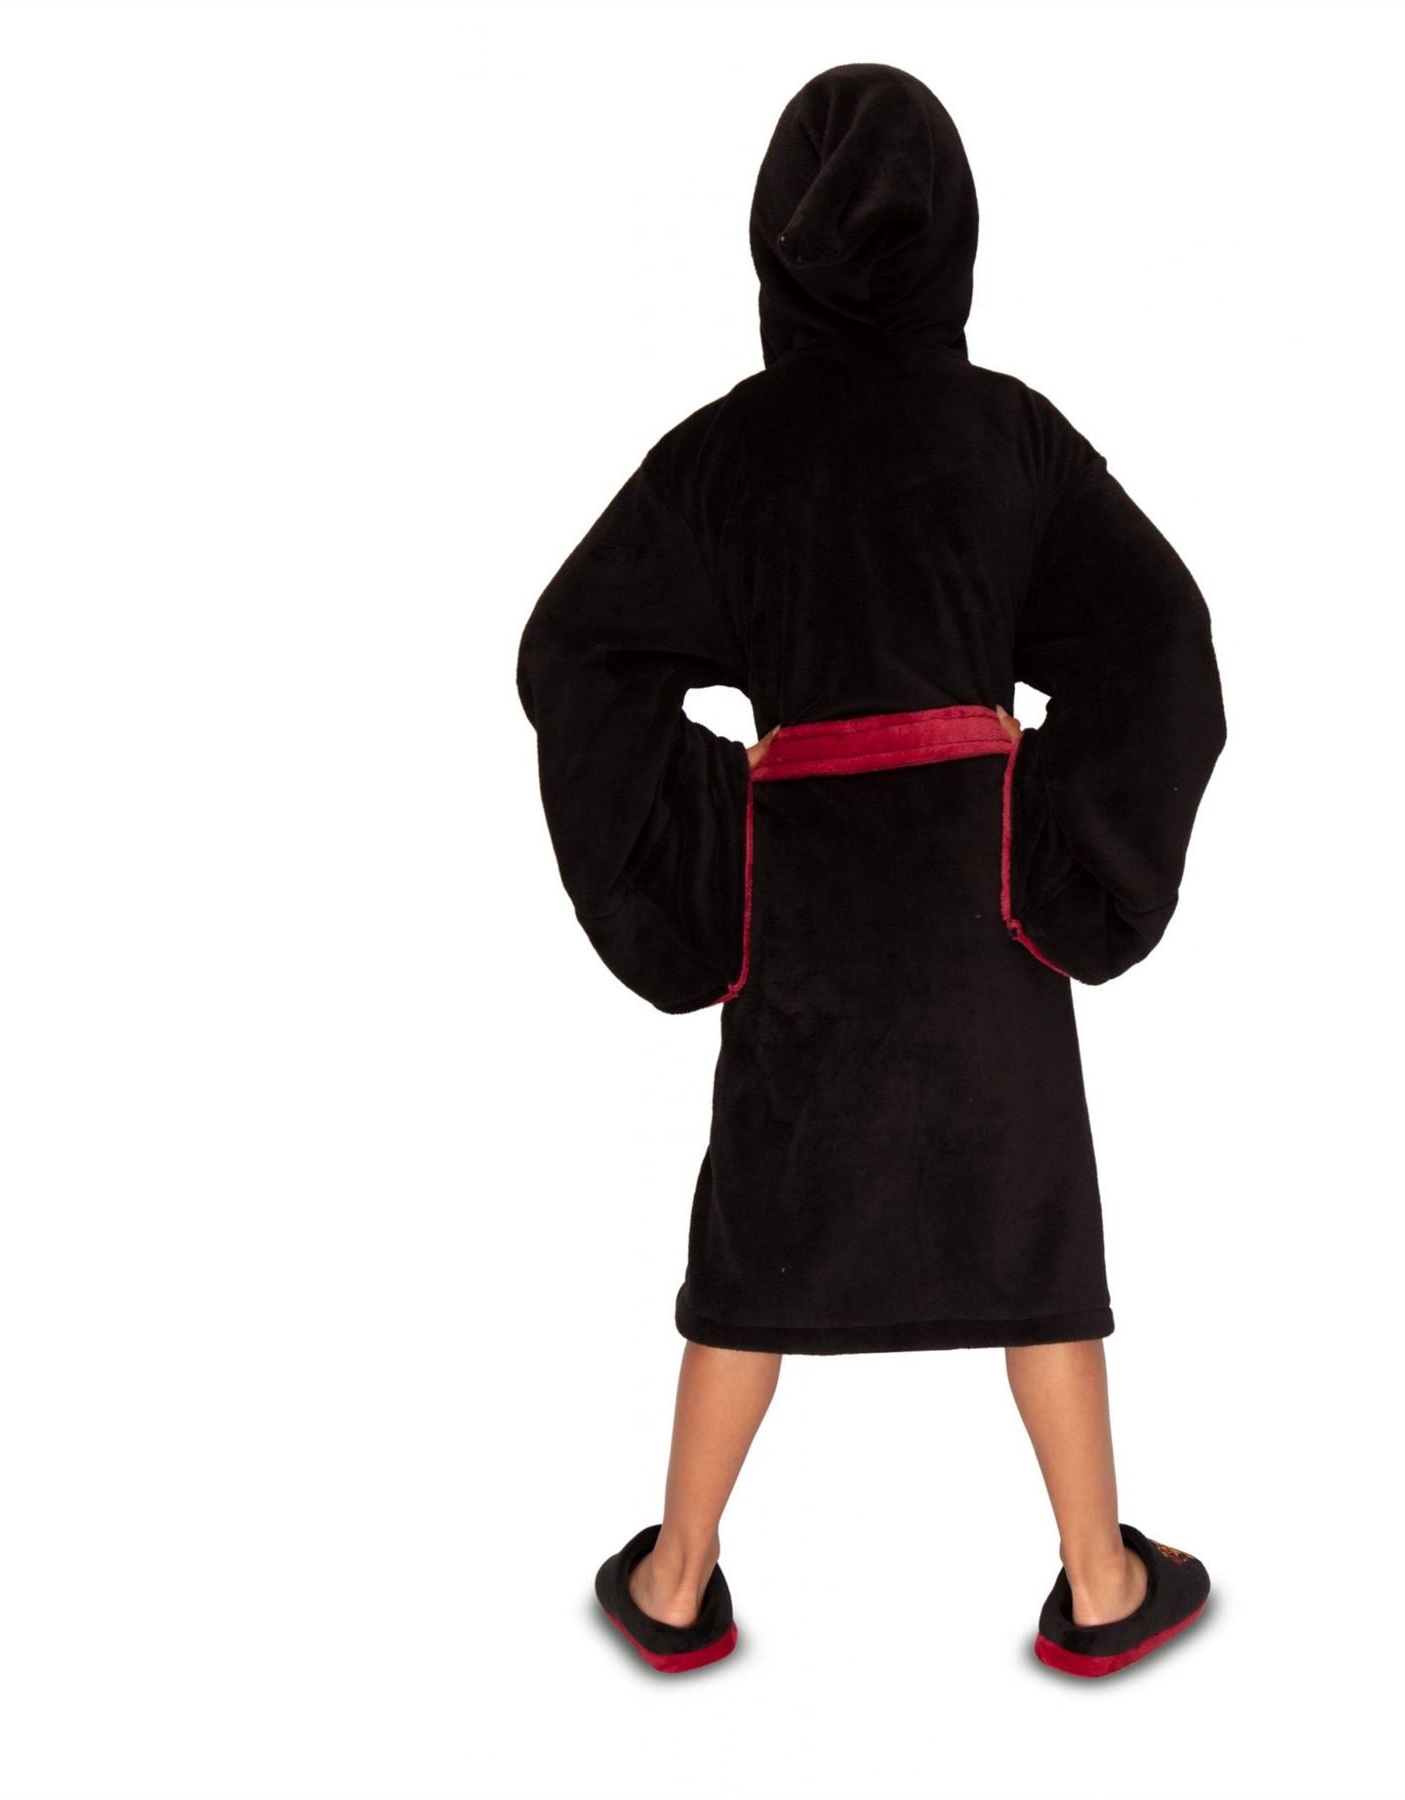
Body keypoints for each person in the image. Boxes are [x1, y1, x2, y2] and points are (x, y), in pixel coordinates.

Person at [517, 62, 1227, 1678]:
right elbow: (1160, 640)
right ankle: (1102, 1579)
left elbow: (576, 654)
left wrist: (719, 833)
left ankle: (676, 1577)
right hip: (987, 911)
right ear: (956, 231)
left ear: (772, 238)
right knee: (1034, 1226)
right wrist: (1064, 841)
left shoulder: (724, 455)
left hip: (809, 922)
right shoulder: (1013, 438)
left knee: (755, 1235)